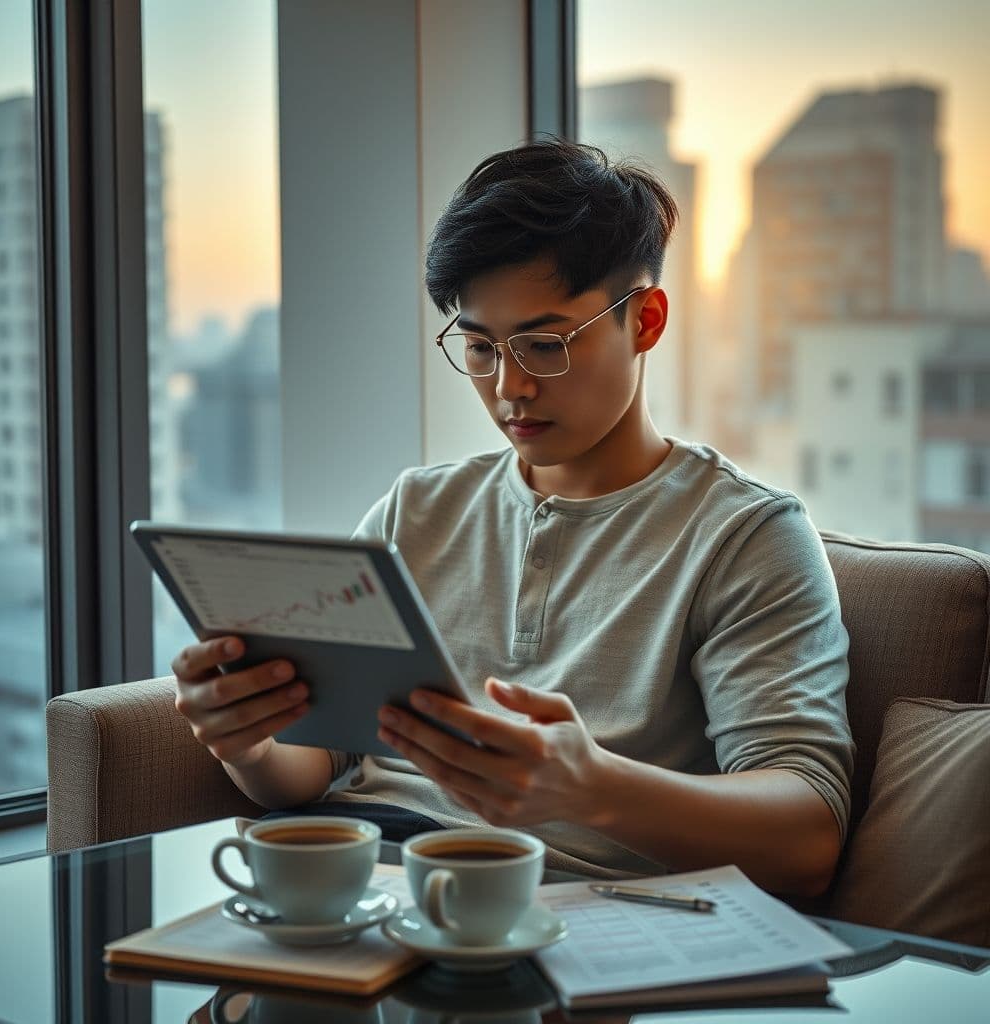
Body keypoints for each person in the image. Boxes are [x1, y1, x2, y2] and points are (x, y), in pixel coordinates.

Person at [172, 139, 854, 895]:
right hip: (359, 894)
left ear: (648, 320)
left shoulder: (744, 538)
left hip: (566, 917)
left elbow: (808, 836)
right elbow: (314, 767)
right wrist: (250, 743)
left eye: (545, 344)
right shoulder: (416, 510)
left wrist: (595, 788)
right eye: (480, 346)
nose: (510, 389)